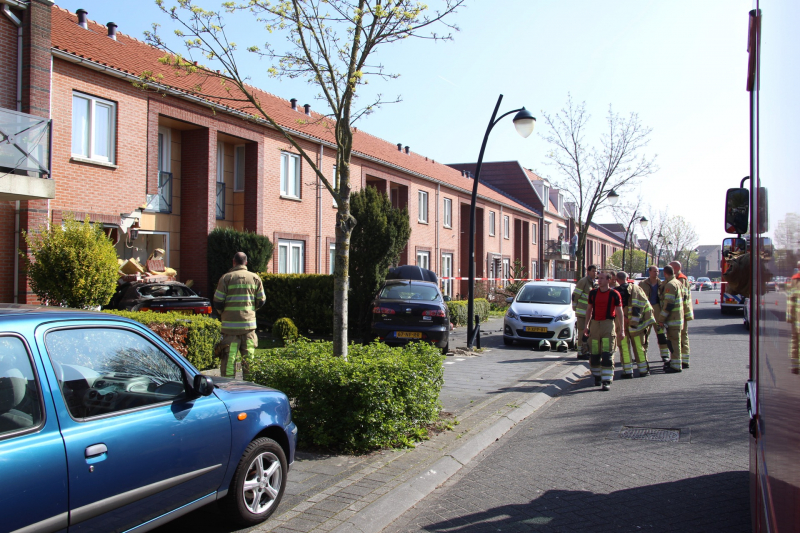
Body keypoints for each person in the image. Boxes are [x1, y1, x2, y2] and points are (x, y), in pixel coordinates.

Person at [213, 252, 266, 378]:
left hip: (230, 329)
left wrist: (223, 313)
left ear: (233, 262)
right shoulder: (255, 278)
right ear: (246, 262)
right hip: (249, 327)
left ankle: (229, 388)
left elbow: (218, 302)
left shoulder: (226, 278)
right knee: (249, 361)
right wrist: (251, 311)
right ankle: (250, 387)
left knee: (229, 360)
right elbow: (262, 300)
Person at [583, 272, 624, 391]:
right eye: (598, 278)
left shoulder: (614, 294)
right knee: (594, 353)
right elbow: (589, 310)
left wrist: (622, 330)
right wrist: (586, 326)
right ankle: (597, 376)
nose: (599, 280)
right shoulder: (593, 293)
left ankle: (606, 380)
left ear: (608, 280)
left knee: (607, 353)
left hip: (608, 325)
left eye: (601, 278)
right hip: (595, 325)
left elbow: (620, 312)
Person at [639, 266, 670, 362]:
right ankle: (643, 353)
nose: (656, 273)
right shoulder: (643, 283)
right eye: (654, 271)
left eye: (657, 271)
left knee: (660, 332)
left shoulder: (662, 284)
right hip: (646, 310)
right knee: (644, 332)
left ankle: (664, 354)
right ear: (649, 272)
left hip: (657, 309)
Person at [658, 264, 684, 373]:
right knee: (675, 341)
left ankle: (676, 366)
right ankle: (674, 362)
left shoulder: (670, 285)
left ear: (665, 273)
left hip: (673, 319)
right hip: (678, 317)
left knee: (673, 342)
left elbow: (668, 305)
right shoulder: (678, 282)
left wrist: (661, 319)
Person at [670, 260, 694, 369]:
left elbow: (681, 296)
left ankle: (683, 360)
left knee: (681, 336)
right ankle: (684, 359)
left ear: (675, 268)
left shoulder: (681, 279)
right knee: (682, 336)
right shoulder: (681, 278)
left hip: (680, 312)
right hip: (682, 311)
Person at [614, 271, 636, 378]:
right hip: (635, 321)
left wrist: (624, 318)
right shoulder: (636, 289)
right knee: (638, 345)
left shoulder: (616, 291)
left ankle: (627, 370)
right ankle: (643, 369)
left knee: (624, 345)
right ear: (627, 278)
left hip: (621, 320)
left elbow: (616, 308)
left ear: (617, 279)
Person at [572, 265, 598, 360]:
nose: (595, 273)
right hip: (582, 312)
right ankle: (581, 353)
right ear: (588, 272)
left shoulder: (594, 283)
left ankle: (586, 351)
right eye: (593, 271)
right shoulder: (583, 281)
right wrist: (575, 308)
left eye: (596, 271)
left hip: (590, 313)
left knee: (589, 334)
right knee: (582, 332)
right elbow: (575, 295)